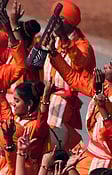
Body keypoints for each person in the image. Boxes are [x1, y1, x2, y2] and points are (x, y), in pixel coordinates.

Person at [42, 1, 95, 151]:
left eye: (58, 18)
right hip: (45, 94)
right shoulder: (52, 38)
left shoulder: (83, 45)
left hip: (64, 101)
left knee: (53, 141)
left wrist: (64, 38)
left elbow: (80, 63)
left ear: (67, 22)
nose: (53, 21)